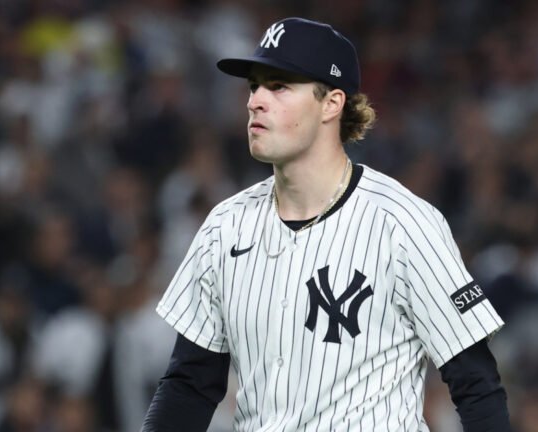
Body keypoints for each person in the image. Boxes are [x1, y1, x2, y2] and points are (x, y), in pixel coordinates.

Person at [143, 17, 511, 431]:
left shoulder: (402, 223)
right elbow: (190, 386)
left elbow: (477, 386)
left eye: (278, 86)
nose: (255, 101)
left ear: (332, 104)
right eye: (254, 86)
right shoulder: (224, 227)